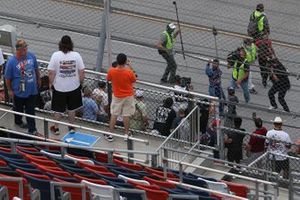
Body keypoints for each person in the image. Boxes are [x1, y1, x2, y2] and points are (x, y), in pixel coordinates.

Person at [48, 35, 85, 135]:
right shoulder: (76, 55)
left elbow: (51, 72)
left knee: (58, 109)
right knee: (71, 109)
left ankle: (56, 128)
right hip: (74, 87)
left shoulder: (55, 55)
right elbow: (82, 72)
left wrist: (51, 84)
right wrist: (80, 82)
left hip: (59, 87)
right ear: (71, 44)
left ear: (60, 44)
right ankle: (71, 127)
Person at [4, 39, 40, 135]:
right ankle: (18, 121)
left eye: (26, 48)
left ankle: (32, 129)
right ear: (18, 50)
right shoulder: (11, 62)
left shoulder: (31, 56)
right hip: (18, 91)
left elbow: (36, 69)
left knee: (30, 110)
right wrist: (10, 90)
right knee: (18, 109)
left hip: (32, 90)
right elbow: (7, 78)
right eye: (23, 49)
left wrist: (38, 80)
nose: (25, 51)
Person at [106, 53, 136, 141]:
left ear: (117, 61)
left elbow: (108, 79)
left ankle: (111, 134)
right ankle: (126, 134)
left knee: (114, 114)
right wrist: (130, 66)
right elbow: (134, 79)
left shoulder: (112, 71)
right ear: (125, 61)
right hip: (128, 96)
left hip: (117, 95)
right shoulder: (129, 72)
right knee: (126, 115)